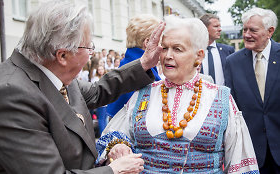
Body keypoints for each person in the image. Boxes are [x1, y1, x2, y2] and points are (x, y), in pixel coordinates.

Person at [0, 1, 166, 173]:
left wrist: (143, 64)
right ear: (63, 55)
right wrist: (113, 170)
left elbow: (97, 91)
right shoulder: (8, 96)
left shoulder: (50, 72)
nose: (92, 53)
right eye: (89, 47)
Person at [96, 15, 259, 173]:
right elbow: (114, 135)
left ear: (199, 55)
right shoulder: (143, 94)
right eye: (164, 48)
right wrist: (118, 146)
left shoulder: (220, 97)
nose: (168, 56)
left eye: (177, 49)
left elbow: (239, 161)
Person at [224, 7, 280, 174]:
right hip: (251, 153)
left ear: (270, 31)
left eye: (253, 30)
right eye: (245, 29)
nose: (246, 34)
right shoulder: (233, 62)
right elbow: (231, 108)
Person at [106, 14, 162, 118]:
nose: (162, 48)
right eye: (160, 42)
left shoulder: (127, 62)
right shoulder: (143, 70)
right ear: (147, 42)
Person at [199, 13, 235, 85]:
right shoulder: (193, 51)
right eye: (216, 26)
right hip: (200, 94)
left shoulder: (228, 51)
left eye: (220, 26)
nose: (220, 29)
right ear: (204, 28)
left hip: (224, 95)